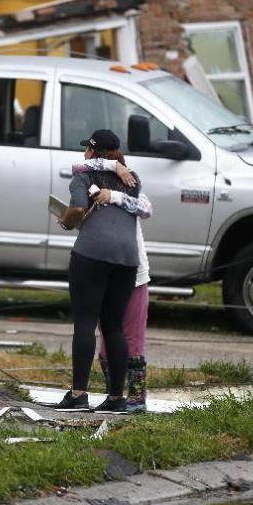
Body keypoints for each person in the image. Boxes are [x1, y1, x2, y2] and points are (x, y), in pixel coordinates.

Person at [55, 129, 141, 414]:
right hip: (127, 259)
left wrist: (66, 222)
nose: (83, 154)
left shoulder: (83, 176)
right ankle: (117, 398)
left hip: (91, 255)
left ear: (92, 152)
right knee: (113, 326)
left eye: (86, 149)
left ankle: (79, 394)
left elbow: (78, 208)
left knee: (84, 322)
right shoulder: (132, 179)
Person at [71, 157, 152, 413]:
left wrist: (114, 195)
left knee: (129, 336)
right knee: (110, 332)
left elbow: (146, 209)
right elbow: (77, 166)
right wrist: (112, 166)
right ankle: (114, 395)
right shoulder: (102, 179)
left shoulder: (131, 187)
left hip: (136, 273)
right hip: (123, 267)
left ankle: (136, 397)